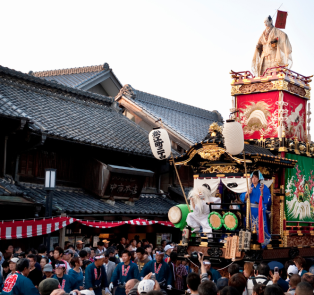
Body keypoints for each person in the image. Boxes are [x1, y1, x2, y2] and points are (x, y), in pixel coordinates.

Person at [240, 171, 271, 249]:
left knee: (260, 225)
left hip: (259, 209)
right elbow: (242, 197)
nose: (254, 179)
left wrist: (262, 192)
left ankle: (262, 241)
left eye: (256, 177)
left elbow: (267, 199)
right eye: (253, 177)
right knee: (250, 224)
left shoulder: (263, 187)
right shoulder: (248, 186)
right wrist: (247, 193)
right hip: (250, 209)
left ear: (259, 178)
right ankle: (250, 240)